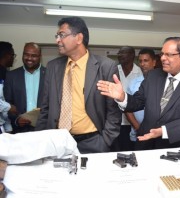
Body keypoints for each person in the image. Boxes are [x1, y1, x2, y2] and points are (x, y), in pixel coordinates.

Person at [97, 37, 180, 150]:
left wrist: (164, 131)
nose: (162, 58)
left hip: (177, 149)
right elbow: (138, 101)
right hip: (145, 144)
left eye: (168, 54)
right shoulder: (153, 76)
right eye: (162, 54)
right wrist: (123, 97)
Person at [35, 16, 121, 154]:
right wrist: (38, 140)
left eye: (61, 35)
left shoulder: (105, 67)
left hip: (93, 143)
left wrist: (105, 141)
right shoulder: (53, 67)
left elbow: (113, 112)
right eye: (57, 35)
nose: (57, 40)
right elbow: (45, 108)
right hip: (56, 142)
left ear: (79, 38)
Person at [4, 42, 45, 133]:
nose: (29, 58)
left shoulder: (49, 74)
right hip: (19, 130)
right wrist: (16, 120)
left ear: (40, 56)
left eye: (34, 55)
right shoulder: (11, 76)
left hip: (43, 129)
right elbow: (6, 103)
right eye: (26, 54)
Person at [114, 46, 143, 151]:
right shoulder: (114, 70)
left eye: (123, 53)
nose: (119, 55)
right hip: (116, 121)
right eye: (119, 53)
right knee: (116, 150)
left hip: (134, 122)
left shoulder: (140, 72)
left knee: (131, 150)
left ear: (132, 56)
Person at [126, 48, 156, 143]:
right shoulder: (133, 83)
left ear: (154, 62)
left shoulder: (163, 82)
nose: (142, 64)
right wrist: (138, 128)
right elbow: (127, 109)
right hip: (138, 134)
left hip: (158, 134)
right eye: (140, 61)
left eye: (146, 61)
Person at [0, 41, 17, 133]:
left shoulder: (6, 73)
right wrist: (9, 107)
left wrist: (8, 128)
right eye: (13, 55)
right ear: (7, 55)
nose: (13, 58)